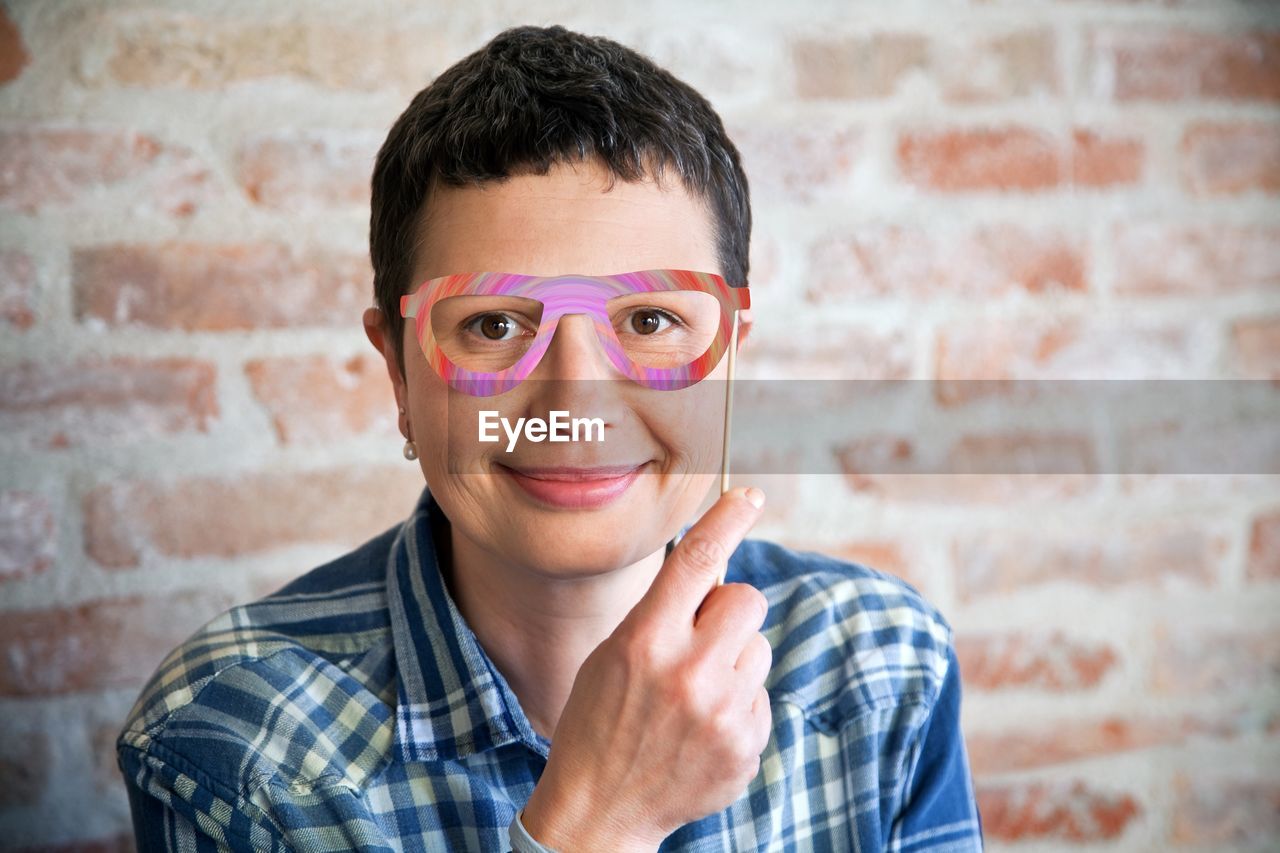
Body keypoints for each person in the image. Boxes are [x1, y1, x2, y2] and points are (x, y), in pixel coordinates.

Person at [116, 24, 984, 852]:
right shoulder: (231, 736)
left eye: (649, 319)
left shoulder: (881, 665)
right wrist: (600, 822)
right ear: (399, 378)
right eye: (493, 325)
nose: (576, 400)